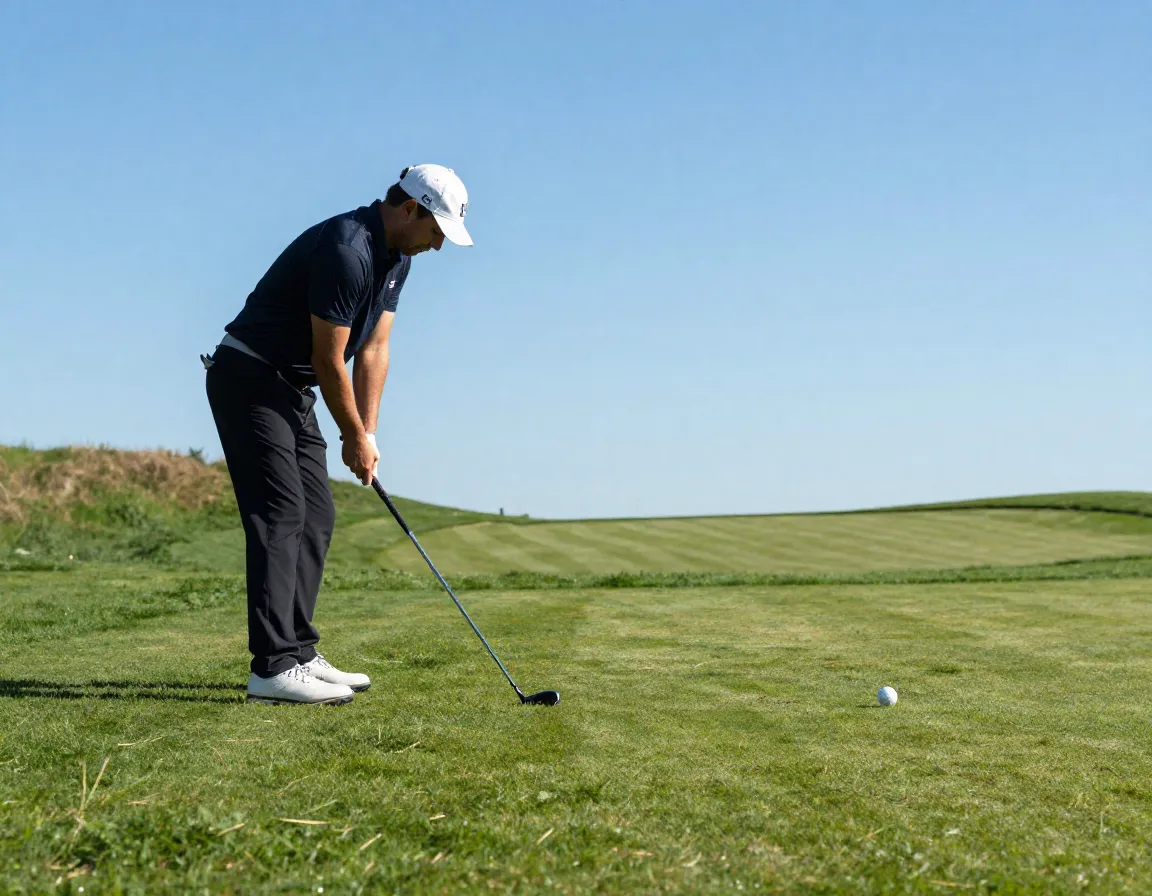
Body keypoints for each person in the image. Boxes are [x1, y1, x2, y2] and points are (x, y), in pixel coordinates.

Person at [202, 164, 472, 705]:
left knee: (317, 515)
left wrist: (368, 433)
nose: (438, 246)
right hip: (249, 377)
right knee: (280, 514)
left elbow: (374, 349)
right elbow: (329, 358)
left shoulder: (398, 259)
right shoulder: (347, 249)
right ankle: (272, 668)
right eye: (436, 230)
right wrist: (351, 435)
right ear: (409, 209)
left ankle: (298, 651)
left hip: (289, 389)